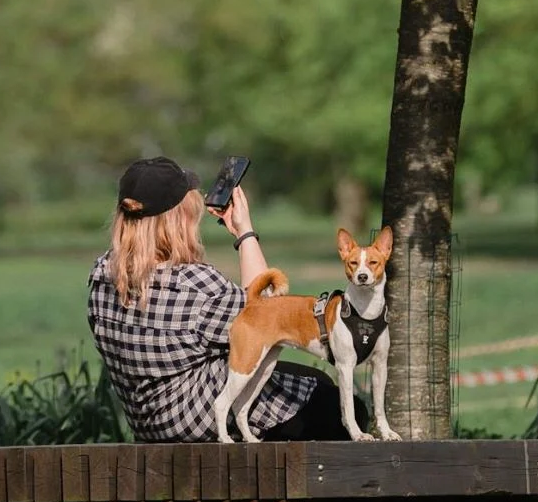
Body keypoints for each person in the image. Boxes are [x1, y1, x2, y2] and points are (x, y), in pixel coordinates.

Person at [86, 156, 370, 443]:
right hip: (199, 419)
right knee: (340, 406)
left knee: (310, 380)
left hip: (148, 423)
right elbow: (271, 313)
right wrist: (244, 233)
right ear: (179, 220)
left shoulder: (101, 276)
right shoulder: (195, 285)